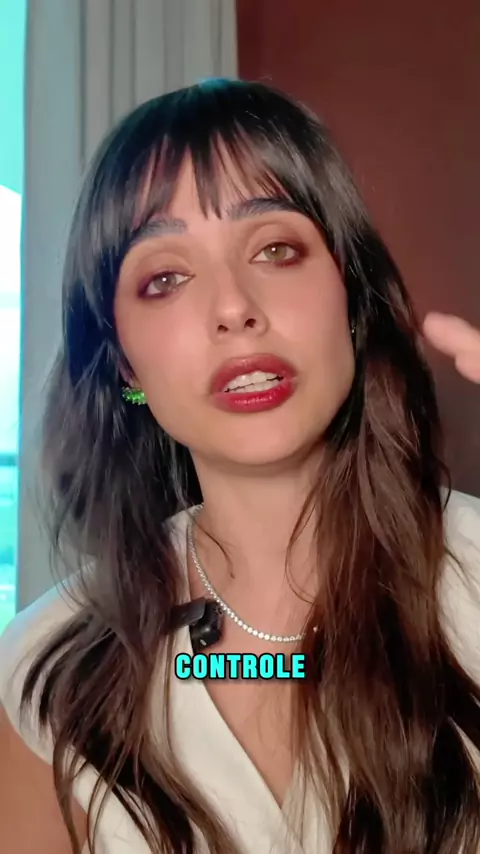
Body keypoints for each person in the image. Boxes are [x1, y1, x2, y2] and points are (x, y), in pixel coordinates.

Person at [0, 78, 479, 854]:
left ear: (351, 298)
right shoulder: (47, 668)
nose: (233, 307)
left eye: (276, 250)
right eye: (165, 277)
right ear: (123, 361)